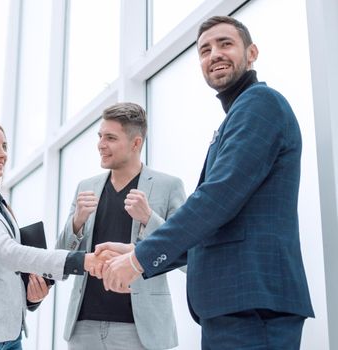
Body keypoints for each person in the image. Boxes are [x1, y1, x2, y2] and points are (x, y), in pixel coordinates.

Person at [97, 16, 314, 349]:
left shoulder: (260, 105)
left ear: (252, 52)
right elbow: (218, 224)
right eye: (205, 50)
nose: (214, 54)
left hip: (252, 306)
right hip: (235, 306)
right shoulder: (238, 114)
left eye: (225, 44)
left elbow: (216, 200)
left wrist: (139, 260)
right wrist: (140, 251)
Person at [0, 120, 113, 350]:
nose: (2, 154)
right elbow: (6, 252)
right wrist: (79, 260)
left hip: (10, 334)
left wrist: (31, 297)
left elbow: (3, 269)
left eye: (4, 146)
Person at [56, 102, 186, 350]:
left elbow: (187, 257)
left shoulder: (169, 186)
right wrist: (77, 222)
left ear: (136, 143)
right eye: (100, 136)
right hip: (84, 327)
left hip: (141, 329)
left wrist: (149, 218)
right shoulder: (86, 187)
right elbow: (60, 258)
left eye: (111, 138)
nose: (101, 144)